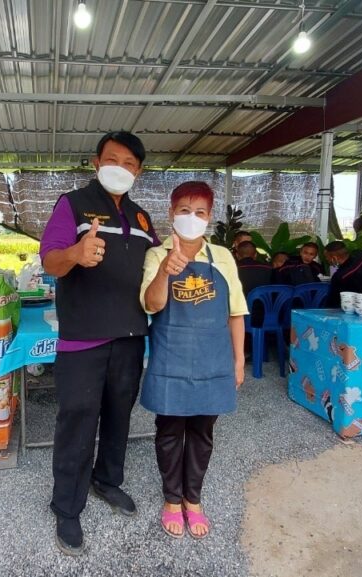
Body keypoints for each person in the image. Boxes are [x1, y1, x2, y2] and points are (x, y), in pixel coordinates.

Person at [39, 131, 158, 556]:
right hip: (82, 338)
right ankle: (67, 506)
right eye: (112, 159)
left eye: (129, 163)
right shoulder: (72, 205)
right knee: (77, 420)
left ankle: (107, 480)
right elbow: (50, 260)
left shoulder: (143, 217)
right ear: (95, 162)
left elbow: (156, 268)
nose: (119, 168)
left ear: (138, 171)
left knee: (119, 415)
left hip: (130, 336)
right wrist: (75, 253)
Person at [139, 181, 247, 540]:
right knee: (170, 431)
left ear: (209, 217)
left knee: (202, 432)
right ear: (171, 213)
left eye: (199, 212)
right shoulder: (156, 255)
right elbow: (152, 305)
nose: (191, 217)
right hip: (171, 359)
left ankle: (193, 498)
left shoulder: (223, 257)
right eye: (184, 210)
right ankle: (172, 498)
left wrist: (238, 361)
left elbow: (236, 313)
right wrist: (165, 271)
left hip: (213, 361)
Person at [324, 241, 362, 307]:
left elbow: (332, 302)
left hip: (350, 308)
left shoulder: (340, 276)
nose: (326, 259)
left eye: (327, 257)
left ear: (334, 258)